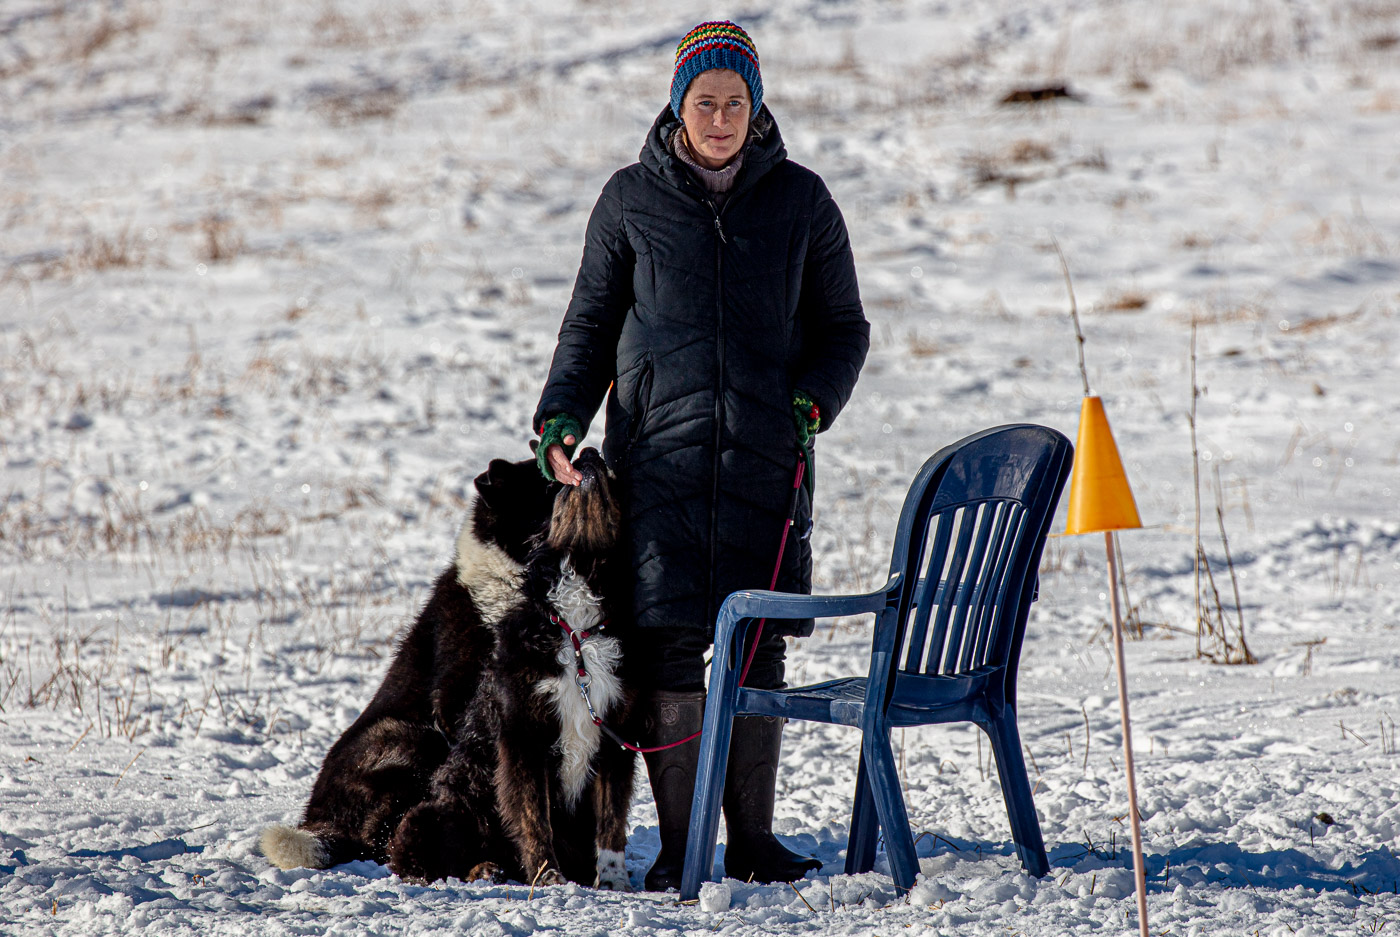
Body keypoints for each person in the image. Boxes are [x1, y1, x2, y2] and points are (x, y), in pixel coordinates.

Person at [532, 20, 868, 891]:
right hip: (659, 470)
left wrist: (814, 401)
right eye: (704, 100)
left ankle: (751, 841)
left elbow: (844, 328)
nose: (720, 116)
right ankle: (683, 848)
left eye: (735, 101)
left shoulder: (802, 201)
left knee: (759, 646)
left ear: (756, 108)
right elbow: (589, 330)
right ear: (678, 106)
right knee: (672, 647)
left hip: (766, 465)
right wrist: (562, 419)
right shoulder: (628, 204)